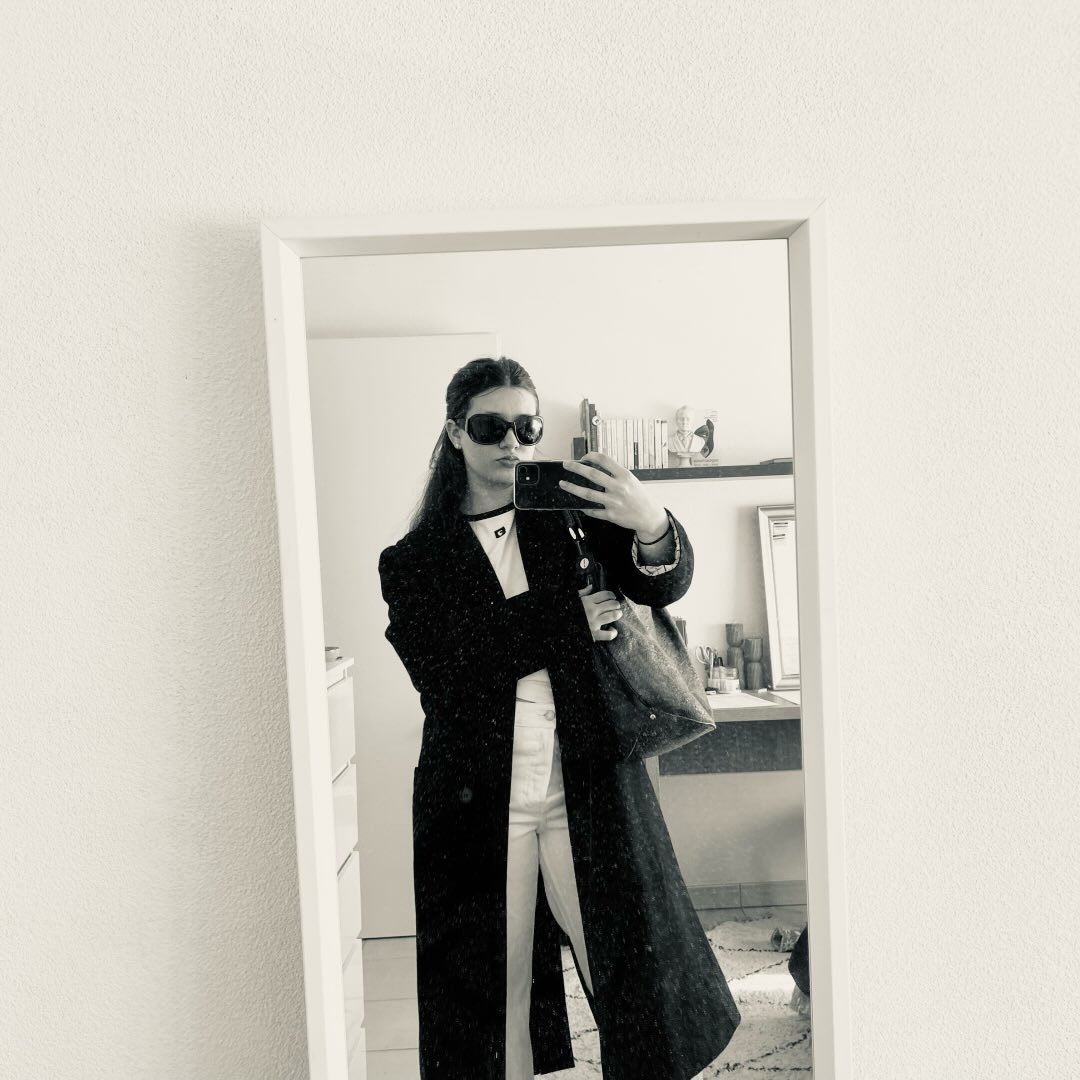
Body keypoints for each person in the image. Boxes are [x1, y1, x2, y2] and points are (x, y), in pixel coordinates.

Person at [378, 357, 740, 1079]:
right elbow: (444, 678)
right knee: (493, 981)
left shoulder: (569, 522)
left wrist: (651, 522)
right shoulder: (414, 559)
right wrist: (565, 620)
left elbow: (658, 581)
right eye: (490, 427)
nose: (511, 442)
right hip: (477, 802)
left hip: (589, 785)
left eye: (527, 426)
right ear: (455, 433)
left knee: (629, 966)